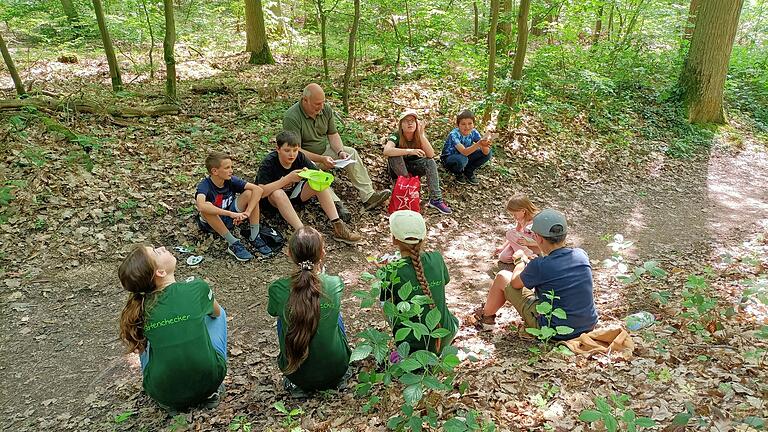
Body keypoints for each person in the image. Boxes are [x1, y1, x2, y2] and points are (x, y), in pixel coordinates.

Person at [118, 245, 227, 413]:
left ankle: (171, 402)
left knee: (144, 342)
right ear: (160, 272)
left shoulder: (138, 309)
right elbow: (216, 313)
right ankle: (210, 392)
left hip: (162, 392)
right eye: (155, 251)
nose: (161, 248)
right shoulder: (196, 288)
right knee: (217, 314)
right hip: (210, 380)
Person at [473, 209, 598, 337]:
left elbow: (515, 284)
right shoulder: (581, 254)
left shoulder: (540, 265)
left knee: (502, 277)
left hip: (554, 330)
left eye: (534, 235)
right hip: (588, 325)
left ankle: (486, 318)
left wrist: (520, 261)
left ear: (538, 238)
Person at [283, 83, 391, 218]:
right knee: (317, 173)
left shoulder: (325, 110)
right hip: (303, 158)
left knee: (351, 152)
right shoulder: (292, 117)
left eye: (322, 103)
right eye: (317, 104)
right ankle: (336, 205)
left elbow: (333, 134)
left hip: (324, 151)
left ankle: (368, 196)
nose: (321, 107)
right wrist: (321, 159)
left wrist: (340, 152)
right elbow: (295, 151)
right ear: (305, 100)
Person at [267, 227, 352, 395]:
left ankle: (295, 375)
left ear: (289, 253)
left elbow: (272, 311)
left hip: (296, 376)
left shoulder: (277, 288)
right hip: (338, 369)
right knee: (333, 313)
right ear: (322, 253)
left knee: (282, 317)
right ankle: (339, 375)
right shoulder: (334, 283)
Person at [258, 131, 362, 245]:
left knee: (319, 183)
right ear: (278, 149)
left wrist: (310, 174)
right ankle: (302, 232)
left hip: (295, 196)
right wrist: (286, 179)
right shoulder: (269, 162)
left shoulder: (300, 157)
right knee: (278, 193)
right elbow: (261, 192)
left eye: (295, 150)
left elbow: (317, 174)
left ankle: (338, 225)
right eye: (287, 151)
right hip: (273, 202)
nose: (291, 154)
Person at [379, 210, 459, 354]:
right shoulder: (437, 258)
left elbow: (386, 308)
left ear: (394, 239)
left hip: (412, 346)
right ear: (424, 238)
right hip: (445, 332)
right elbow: (443, 283)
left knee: (385, 304)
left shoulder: (391, 270)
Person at [195, 151, 271, 262]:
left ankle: (255, 235)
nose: (231, 171)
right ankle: (233, 242)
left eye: (231, 167)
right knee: (206, 207)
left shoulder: (230, 180)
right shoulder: (205, 185)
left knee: (250, 193)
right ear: (215, 171)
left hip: (231, 217)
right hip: (212, 224)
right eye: (227, 168)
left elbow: (258, 190)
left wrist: (247, 213)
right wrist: (231, 214)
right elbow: (201, 206)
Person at [383, 109, 452, 214]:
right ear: (401, 125)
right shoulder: (397, 135)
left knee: (430, 162)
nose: (410, 123)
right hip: (399, 170)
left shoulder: (418, 135)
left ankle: (436, 199)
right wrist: (410, 151)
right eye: (406, 121)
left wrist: (421, 135)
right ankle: (407, 188)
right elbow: (387, 150)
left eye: (412, 120)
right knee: (394, 156)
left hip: (415, 166)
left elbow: (431, 155)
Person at [441, 110, 492, 185]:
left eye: (470, 123)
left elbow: (485, 152)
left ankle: (468, 171)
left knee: (489, 153)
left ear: (474, 124)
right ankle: (458, 172)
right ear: (458, 125)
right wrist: (479, 143)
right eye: (463, 124)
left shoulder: (474, 132)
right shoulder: (454, 134)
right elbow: (464, 152)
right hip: (450, 158)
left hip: (465, 157)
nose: (467, 127)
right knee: (462, 159)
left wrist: (484, 145)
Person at [495, 194, 540, 265]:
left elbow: (545, 242)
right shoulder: (521, 219)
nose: (513, 217)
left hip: (535, 246)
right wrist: (503, 247)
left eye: (514, 214)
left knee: (510, 233)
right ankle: (524, 258)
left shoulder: (537, 220)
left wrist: (529, 243)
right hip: (522, 244)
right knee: (503, 257)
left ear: (523, 211)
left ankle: (529, 257)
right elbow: (515, 235)